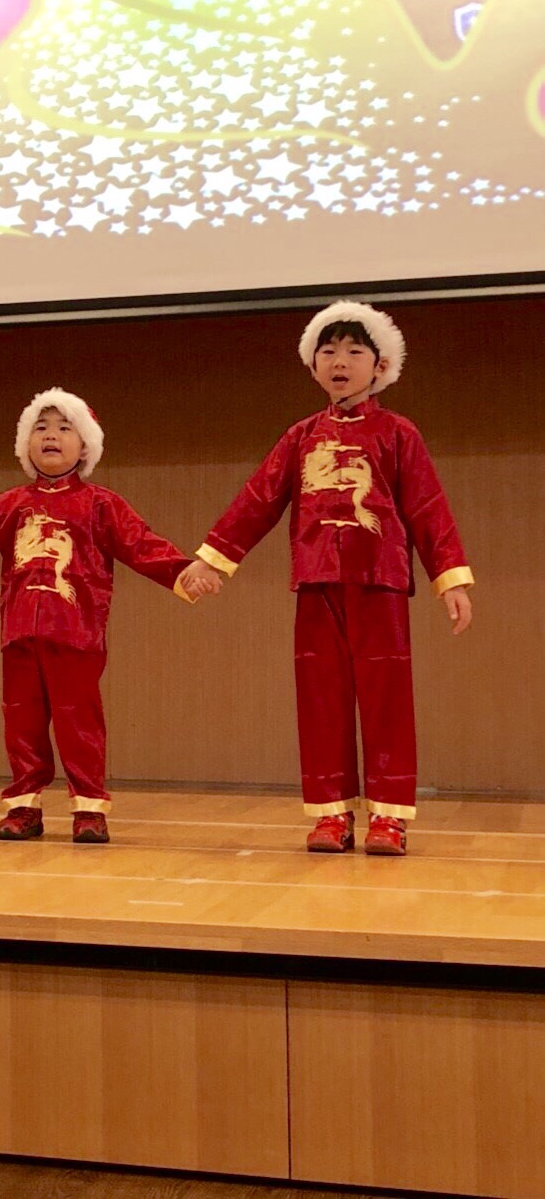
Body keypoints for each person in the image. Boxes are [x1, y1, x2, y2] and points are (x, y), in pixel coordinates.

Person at [178, 301, 474, 856]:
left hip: (380, 583)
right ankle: (331, 814)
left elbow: (428, 508)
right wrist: (213, 559)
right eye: (329, 351)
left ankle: (388, 816)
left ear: (380, 365)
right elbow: (257, 501)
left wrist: (450, 579)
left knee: (387, 699)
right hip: (316, 584)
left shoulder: (398, 433)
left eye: (354, 351)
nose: (340, 361)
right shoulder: (301, 437)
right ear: (313, 366)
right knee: (320, 700)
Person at [0, 388, 198, 844]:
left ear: (85, 446)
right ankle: (23, 807)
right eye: (41, 428)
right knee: (21, 723)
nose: (51, 435)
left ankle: (88, 809)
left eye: (64, 428)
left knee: (79, 723)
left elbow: (142, 545)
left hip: (76, 634)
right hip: (19, 634)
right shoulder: (10, 504)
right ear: (25, 444)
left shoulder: (101, 504)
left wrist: (185, 572)